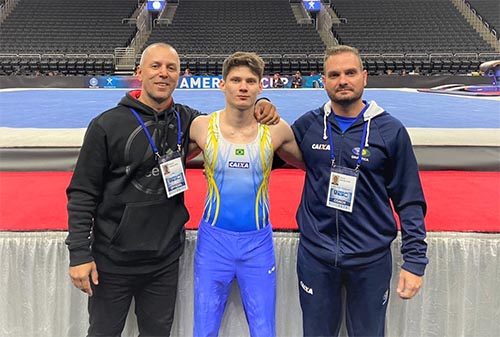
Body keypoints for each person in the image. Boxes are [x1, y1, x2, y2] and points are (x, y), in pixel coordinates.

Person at [65, 42, 279, 337]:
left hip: (162, 262)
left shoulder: (186, 119)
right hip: (113, 260)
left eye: (171, 68)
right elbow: (82, 192)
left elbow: (232, 118)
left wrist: (261, 103)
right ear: (139, 72)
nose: (163, 74)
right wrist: (79, 253)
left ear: (179, 75)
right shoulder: (106, 125)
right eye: (155, 66)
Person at [291, 45, 428, 337]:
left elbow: (410, 198)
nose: (343, 80)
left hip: (370, 261)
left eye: (350, 73)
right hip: (316, 257)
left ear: (364, 77)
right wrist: (263, 106)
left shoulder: (390, 130)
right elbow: (268, 151)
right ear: (323, 81)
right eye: (334, 74)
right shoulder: (309, 125)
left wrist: (415, 260)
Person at [189, 52, 304, 337]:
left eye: (250, 81)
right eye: (236, 80)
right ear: (222, 84)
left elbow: (313, 165)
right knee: (204, 329)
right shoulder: (202, 127)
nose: (243, 87)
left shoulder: (276, 131)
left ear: (260, 86)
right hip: (213, 243)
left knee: (264, 329)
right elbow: (168, 156)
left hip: (257, 246)